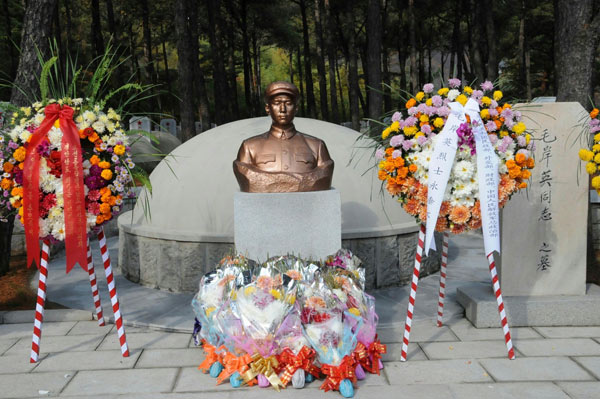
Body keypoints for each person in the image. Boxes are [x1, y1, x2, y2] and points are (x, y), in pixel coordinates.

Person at [233, 81, 334, 192]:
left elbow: (324, 175)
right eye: (276, 103)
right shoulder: (249, 146)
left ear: (296, 108)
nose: (282, 109)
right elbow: (245, 175)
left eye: (288, 103)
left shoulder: (316, 145)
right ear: (268, 108)